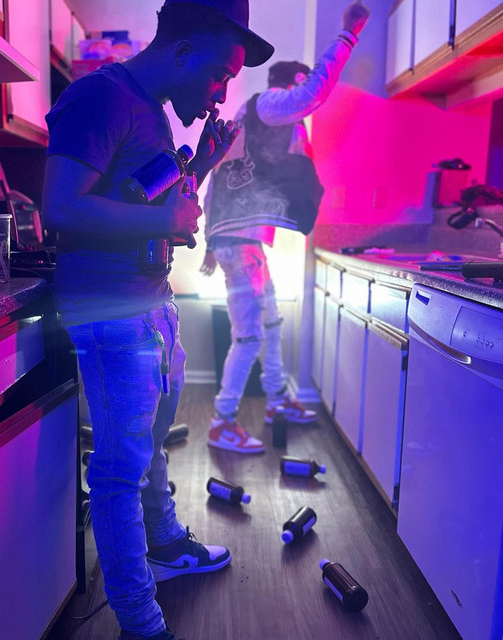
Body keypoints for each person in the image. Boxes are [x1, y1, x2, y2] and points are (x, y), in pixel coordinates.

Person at [42, 1, 273, 639]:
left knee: (150, 442)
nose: (221, 93)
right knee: (120, 468)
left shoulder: (149, 110)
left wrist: (202, 164)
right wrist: (164, 219)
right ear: (182, 51)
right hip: (111, 312)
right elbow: (60, 206)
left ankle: (164, 545)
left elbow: (147, 197)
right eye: (221, 75)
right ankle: (140, 621)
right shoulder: (101, 96)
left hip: (148, 303)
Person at [201, 0, 371, 455]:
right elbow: (312, 95)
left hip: (241, 241)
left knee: (271, 324)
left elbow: (218, 172)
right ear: (290, 84)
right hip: (240, 243)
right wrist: (347, 35)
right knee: (250, 336)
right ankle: (221, 422)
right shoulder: (271, 105)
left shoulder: (251, 117)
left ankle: (276, 402)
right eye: (300, 85)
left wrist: (211, 241)